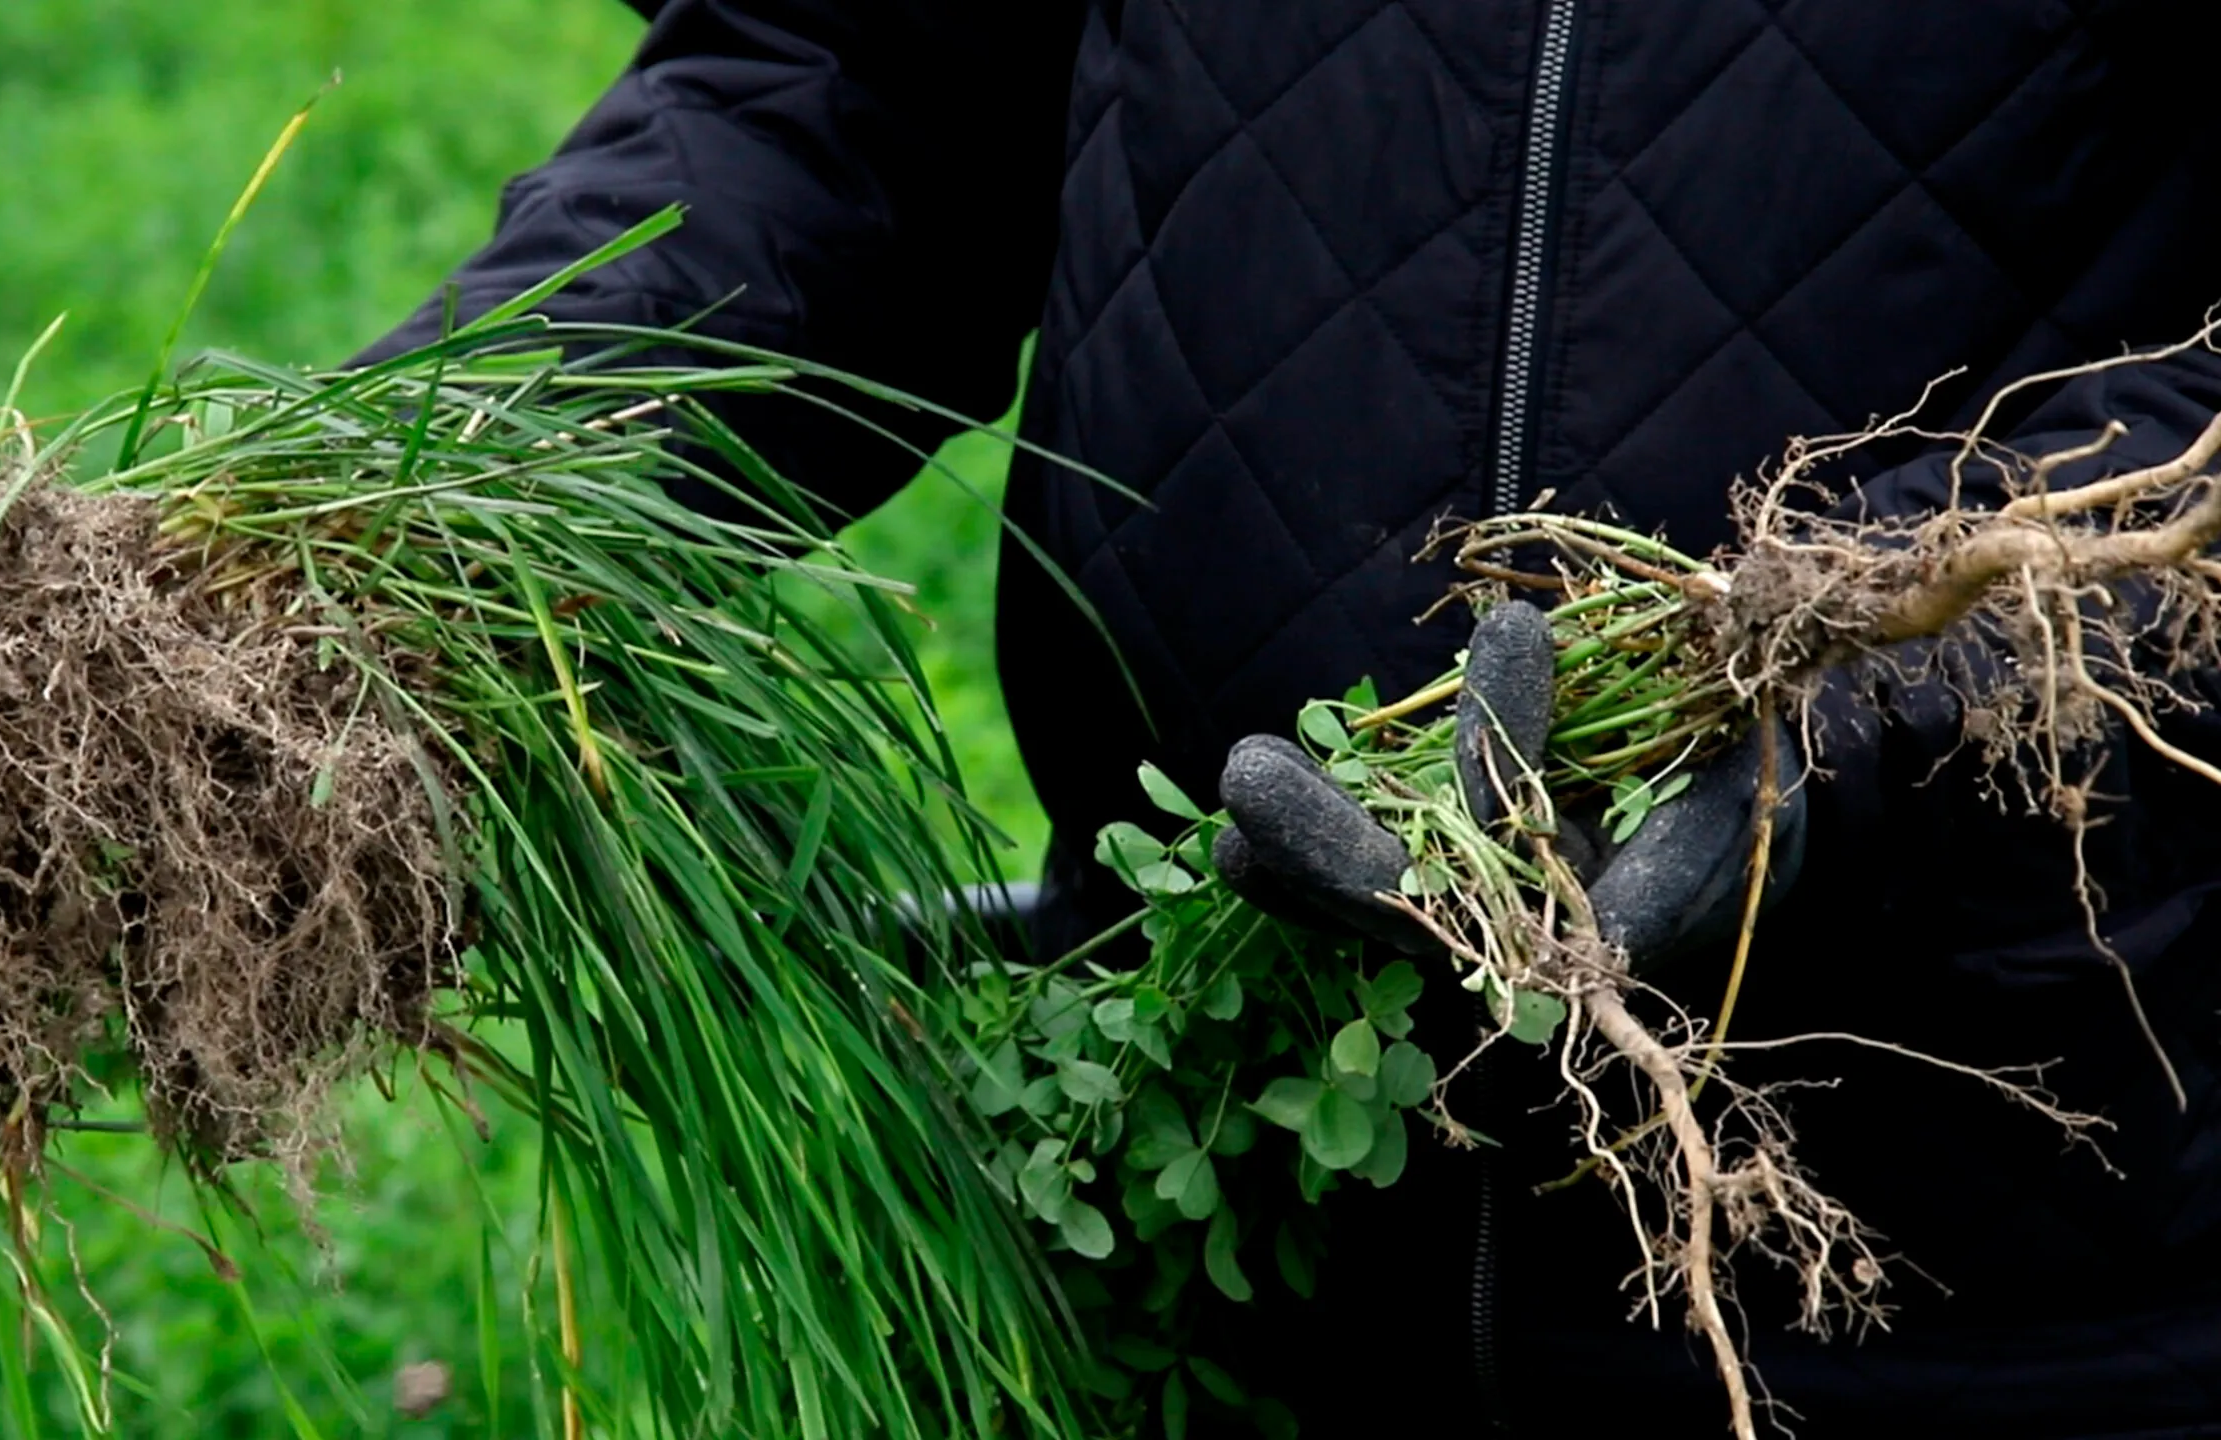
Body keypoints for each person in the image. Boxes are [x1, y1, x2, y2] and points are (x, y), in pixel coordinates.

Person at [356, 4, 2221, 1435]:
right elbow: (855, 87)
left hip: (2012, 1272)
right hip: (1214, 1233)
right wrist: (418, 513)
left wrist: (1862, 680)